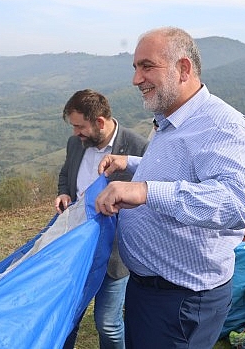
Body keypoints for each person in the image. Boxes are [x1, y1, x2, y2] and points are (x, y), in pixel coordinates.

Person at [95, 27, 245, 349]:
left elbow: (239, 202)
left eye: (147, 66)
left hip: (180, 301)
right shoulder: (171, 117)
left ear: (183, 69)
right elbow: (181, 167)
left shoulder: (222, 125)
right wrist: (129, 163)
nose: (136, 79)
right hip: (152, 290)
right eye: (135, 68)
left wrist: (145, 191)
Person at [55, 89, 148, 349]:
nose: (76, 133)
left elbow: (151, 197)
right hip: (77, 250)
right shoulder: (76, 144)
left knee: (107, 322)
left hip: (116, 254)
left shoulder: (138, 147)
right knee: (68, 316)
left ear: (99, 122)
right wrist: (63, 193)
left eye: (79, 126)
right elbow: (66, 174)